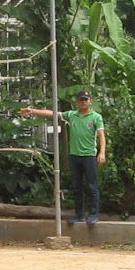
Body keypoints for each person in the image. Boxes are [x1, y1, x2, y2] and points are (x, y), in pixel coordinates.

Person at [19, 91, 106, 224]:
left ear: (90, 101)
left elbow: (101, 135)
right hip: (74, 156)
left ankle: (93, 215)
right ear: (77, 101)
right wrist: (33, 111)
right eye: (81, 100)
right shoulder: (71, 115)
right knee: (77, 187)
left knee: (92, 186)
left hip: (89, 155)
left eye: (86, 100)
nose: (83, 102)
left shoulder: (96, 117)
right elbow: (53, 114)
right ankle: (79, 214)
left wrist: (102, 152)